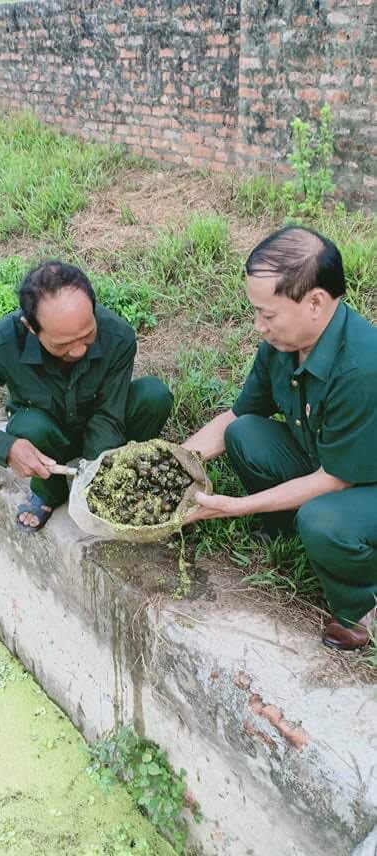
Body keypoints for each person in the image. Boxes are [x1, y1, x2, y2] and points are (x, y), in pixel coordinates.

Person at [183, 226, 377, 652]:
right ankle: (290, 529)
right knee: (244, 433)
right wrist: (174, 463)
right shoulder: (283, 343)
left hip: (360, 482)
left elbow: (336, 480)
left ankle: (362, 608)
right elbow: (240, 413)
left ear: (315, 302)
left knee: (323, 518)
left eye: (268, 314)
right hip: (330, 461)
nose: (259, 326)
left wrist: (237, 508)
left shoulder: (362, 368)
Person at [0, 260, 173, 531]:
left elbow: (108, 415)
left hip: (102, 423)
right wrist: (6, 448)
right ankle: (49, 492)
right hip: (46, 435)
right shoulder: (3, 342)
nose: (78, 351)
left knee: (154, 395)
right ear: (31, 327)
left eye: (87, 336)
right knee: (29, 426)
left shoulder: (118, 335)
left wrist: (97, 477)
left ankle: (116, 472)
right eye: (62, 344)